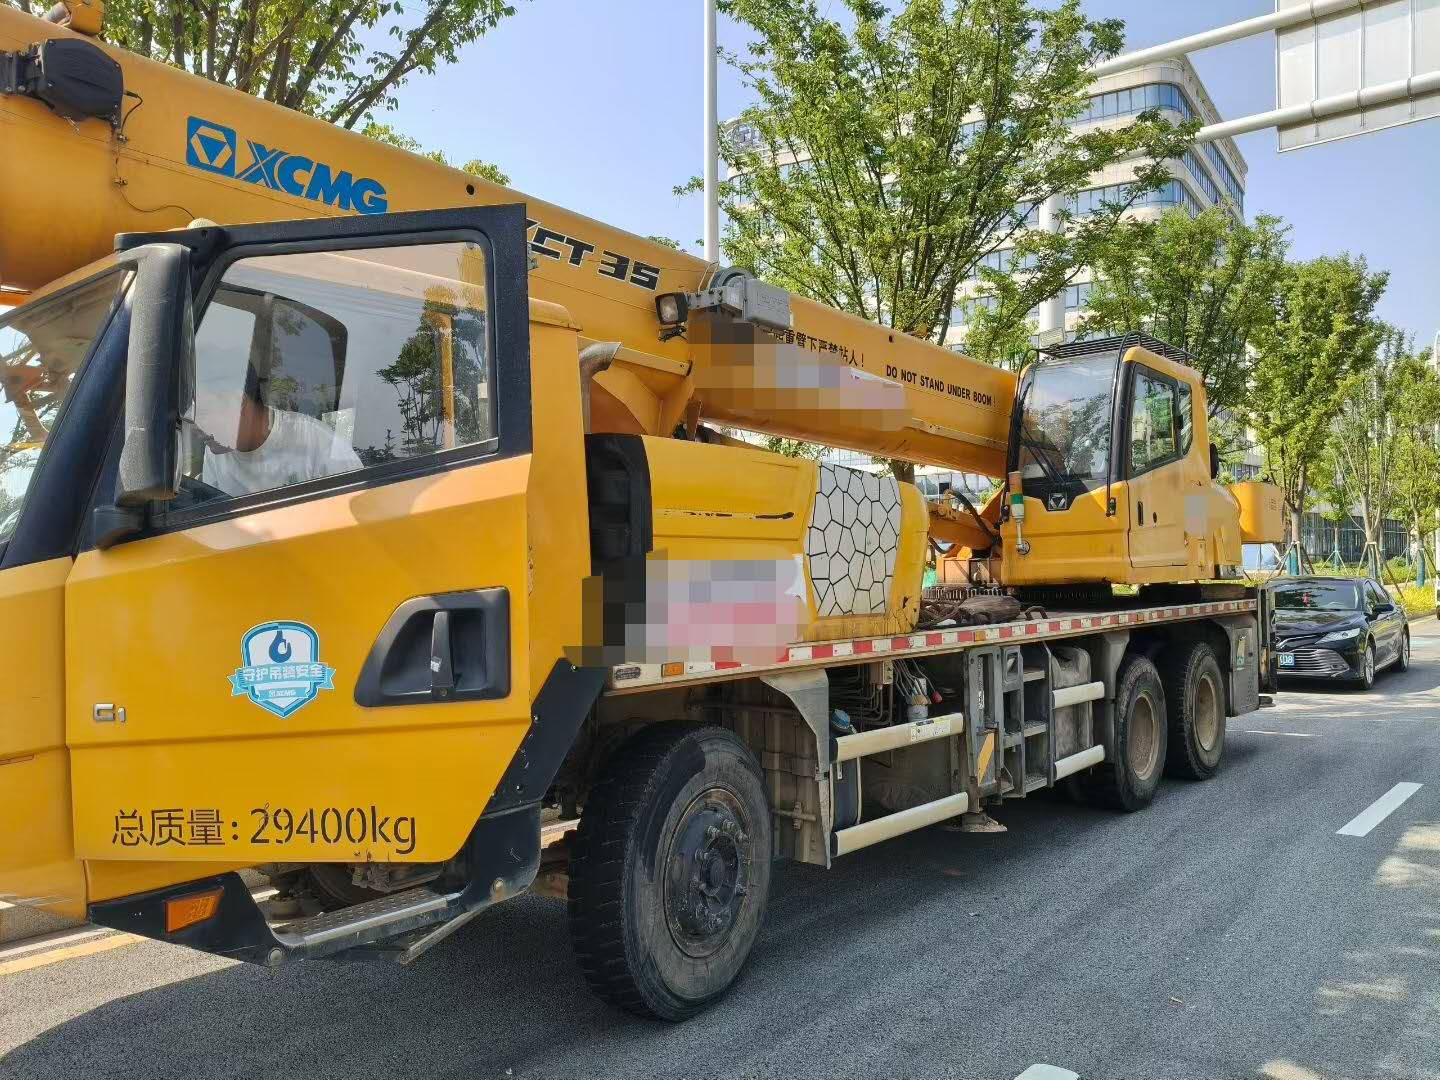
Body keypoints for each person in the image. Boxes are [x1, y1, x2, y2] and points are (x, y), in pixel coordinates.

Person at [199, 366, 362, 497]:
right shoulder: (214, 453)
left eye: (203, 413)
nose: (197, 427)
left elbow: (360, 509)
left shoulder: (320, 444)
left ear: (238, 400)